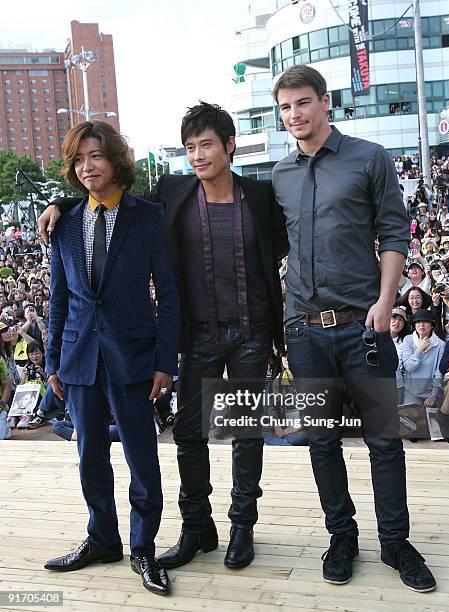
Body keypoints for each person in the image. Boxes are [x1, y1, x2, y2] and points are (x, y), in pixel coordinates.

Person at [38, 102, 288, 571]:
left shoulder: (261, 194)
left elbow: (283, 245)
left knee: (245, 434)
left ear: (230, 147)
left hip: (253, 332)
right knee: (189, 436)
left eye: (207, 145)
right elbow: (108, 198)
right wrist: (61, 203)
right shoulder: (172, 192)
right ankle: (198, 529)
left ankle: (242, 527)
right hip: (197, 335)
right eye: (190, 147)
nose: (198, 155)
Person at [271, 64, 436, 592]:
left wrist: (387, 301)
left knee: (385, 440)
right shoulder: (279, 175)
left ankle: (395, 542)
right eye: (285, 107)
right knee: (321, 443)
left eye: (302, 103)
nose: (293, 115)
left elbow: (394, 232)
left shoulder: (369, 157)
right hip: (307, 333)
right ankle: (341, 536)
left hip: (363, 328)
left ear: (325, 102)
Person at [42, 120, 180, 597]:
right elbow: (59, 300)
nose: (86, 167)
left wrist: (166, 360)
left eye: (95, 156)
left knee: (143, 460)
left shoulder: (147, 218)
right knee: (89, 458)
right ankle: (103, 538)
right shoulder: (63, 223)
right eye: (78, 160)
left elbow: (169, 293)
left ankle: (144, 548)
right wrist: (53, 362)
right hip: (79, 360)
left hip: (135, 358)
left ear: (116, 160)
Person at [401, 309, 445, 407]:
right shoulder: (408, 339)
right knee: (409, 420)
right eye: (418, 322)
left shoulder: (440, 345)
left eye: (425, 322)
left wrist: (434, 394)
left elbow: (439, 371)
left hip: (432, 393)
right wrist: (419, 350)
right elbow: (408, 367)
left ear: (432, 325)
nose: (421, 325)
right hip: (411, 392)